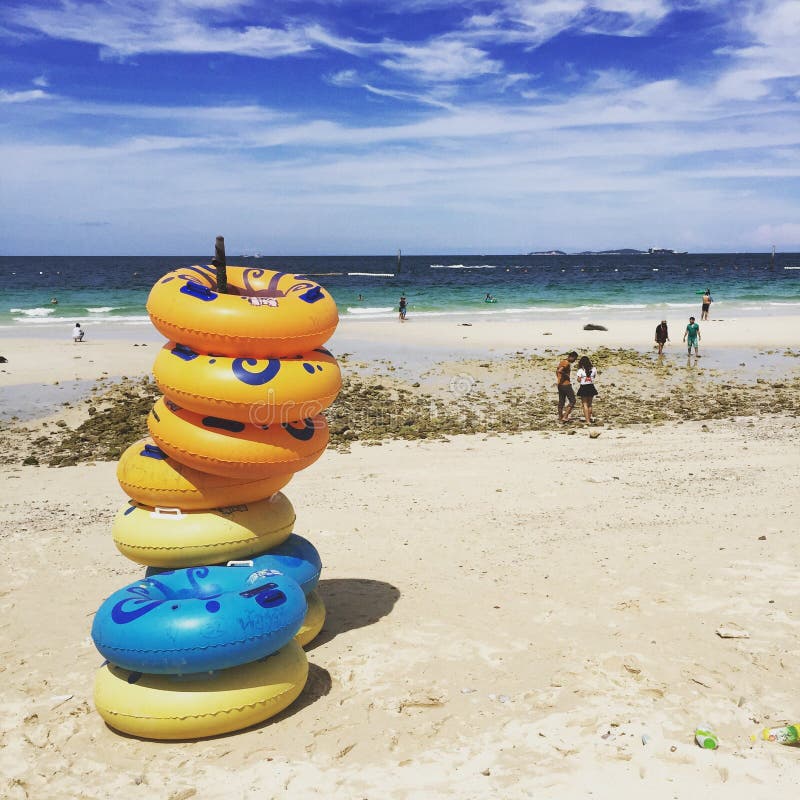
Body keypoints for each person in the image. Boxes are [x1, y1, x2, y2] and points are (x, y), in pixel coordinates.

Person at [575, 355, 598, 423]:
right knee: (590, 404)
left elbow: (579, 380)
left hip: (584, 387)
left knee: (585, 404)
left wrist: (582, 379)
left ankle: (587, 421)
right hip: (591, 386)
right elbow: (594, 376)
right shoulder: (594, 369)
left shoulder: (580, 370)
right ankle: (589, 418)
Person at [556, 351, 577, 422]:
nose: (574, 361)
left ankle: (560, 417)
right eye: (574, 359)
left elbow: (557, 371)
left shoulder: (562, 362)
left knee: (561, 401)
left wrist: (559, 378)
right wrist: (566, 376)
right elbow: (559, 371)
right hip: (566, 385)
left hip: (560, 384)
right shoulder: (566, 363)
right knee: (573, 401)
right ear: (571, 357)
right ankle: (565, 416)